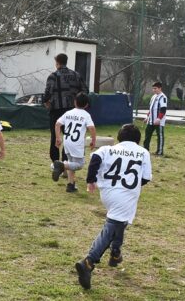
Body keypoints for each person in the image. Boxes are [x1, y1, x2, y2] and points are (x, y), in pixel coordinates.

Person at [74, 124, 152, 290]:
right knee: (112, 227)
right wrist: (132, 186)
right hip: (126, 194)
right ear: (138, 140)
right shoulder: (143, 152)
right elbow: (145, 178)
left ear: (119, 138)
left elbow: (95, 159)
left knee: (119, 223)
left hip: (107, 193)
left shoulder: (108, 149)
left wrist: (90, 180)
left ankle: (115, 254)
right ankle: (88, 262)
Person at [43, 53, 89, 165]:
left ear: (57, 62)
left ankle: (55, 162)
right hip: (72, 110)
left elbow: (47, 93)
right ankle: (65, 162)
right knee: (68, 136)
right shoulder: (76, 75)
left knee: (55, 136)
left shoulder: (53, 76)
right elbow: (85, 91)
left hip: (56, 110)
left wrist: (45, 102)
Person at [51, 93, 97, 193]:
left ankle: (70, 185)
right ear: (86, 105)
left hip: (67, 142)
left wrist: (58, 138)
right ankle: (61, 166)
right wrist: (93, 141)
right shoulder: (86, 115)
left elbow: (57, 124)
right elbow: (92, 128)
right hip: (77, 144)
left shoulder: (68, 113)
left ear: (75, 102)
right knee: (79, 164)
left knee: (72, 163)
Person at [143, 82, 167, 155]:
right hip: (150, 120)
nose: (154, 90)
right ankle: (145, 150)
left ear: (160, 88)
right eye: (153, 88)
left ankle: (159, 152)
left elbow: (163, 109)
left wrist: (159, 118)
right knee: (147, 135)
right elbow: (151, 109)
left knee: (160, 136)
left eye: (155, 88)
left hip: (158, 121)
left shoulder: (163, 97)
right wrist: (147, 117)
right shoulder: (153, 97)